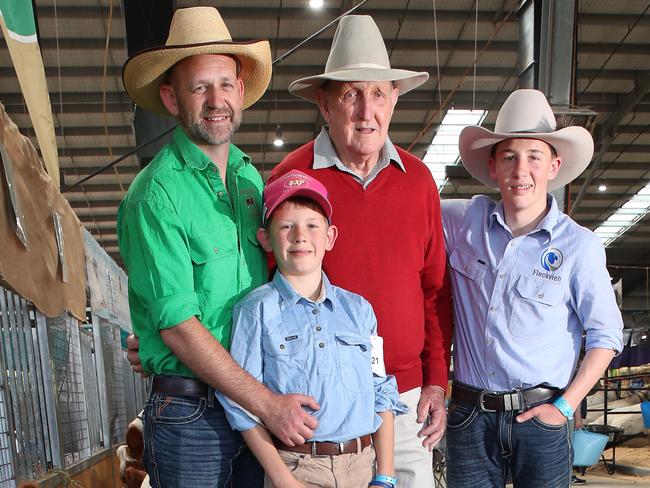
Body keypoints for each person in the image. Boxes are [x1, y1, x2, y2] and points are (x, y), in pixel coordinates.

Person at [118, 7, 319, 487]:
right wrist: (268, 404)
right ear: (171, 97)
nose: (216, 100)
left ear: (241, 90)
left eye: (225, 84)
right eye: (198, 87)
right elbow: (180, 329)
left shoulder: (250, 180)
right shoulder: (155, 195)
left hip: (249, 407)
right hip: (193, 413)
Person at [269, 15, 453, 488]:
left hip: (405, 394)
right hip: (321, 403)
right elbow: (265, 289)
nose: (365, 112)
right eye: (351, 95)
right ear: (325, 103)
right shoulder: (294, 178)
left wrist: (436, 380)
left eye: (377, 94)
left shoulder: (418, 182)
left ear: (394, 99)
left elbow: (434, 290)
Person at [441, 89, 624, 487]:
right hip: (470, 417)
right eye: (508, 156)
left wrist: (565, 405)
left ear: (554, 166)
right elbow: (403, 209)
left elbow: (606, 335)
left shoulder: (579, 246)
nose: (520, 170)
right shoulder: (461, 222)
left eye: (533, 157)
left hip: (541, 418)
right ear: (492, 165)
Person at [218, 170, 406, 488]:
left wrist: (385, 476)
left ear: (330, 237)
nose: (300, 236)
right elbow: (239, 403)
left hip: (363, 465)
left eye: (312, 226)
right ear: (265, 238)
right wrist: (284, 481)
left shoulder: (359, 310)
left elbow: (381, 391)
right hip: (297, 467)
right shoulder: (255, 310)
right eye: (286, 226)